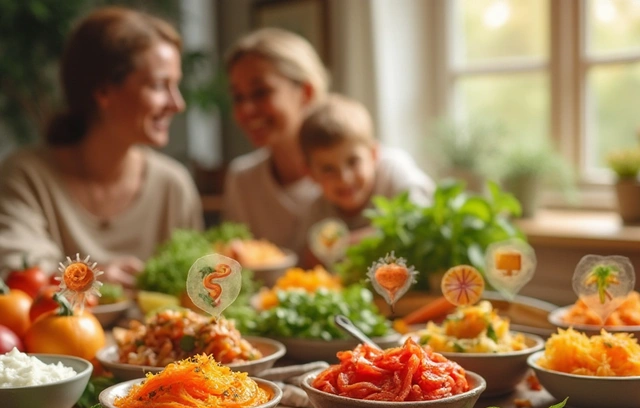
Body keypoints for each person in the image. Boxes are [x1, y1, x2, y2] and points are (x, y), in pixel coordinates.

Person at [0, 6, 203, 288]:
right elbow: (17, 269)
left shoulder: (173, 185)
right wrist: (86, 278)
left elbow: (193, 288)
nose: (177, 104)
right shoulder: (26, 175)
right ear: (104, 92)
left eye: (176, 86)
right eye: (159, 86)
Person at [222, 27, 329, 252]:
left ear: (306, 93)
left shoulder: (372, 167)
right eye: (238, 97)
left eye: (261, 92)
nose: (246, 110)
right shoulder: (243, 180)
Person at [296, 93, 435, 263]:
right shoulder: (316, 209)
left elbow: (421, 222)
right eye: (328, 169)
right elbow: (309, 259)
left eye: (353, 162)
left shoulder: (396, 173)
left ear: (374, 154)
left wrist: (343, 245)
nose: (344, 179)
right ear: (310, 173)